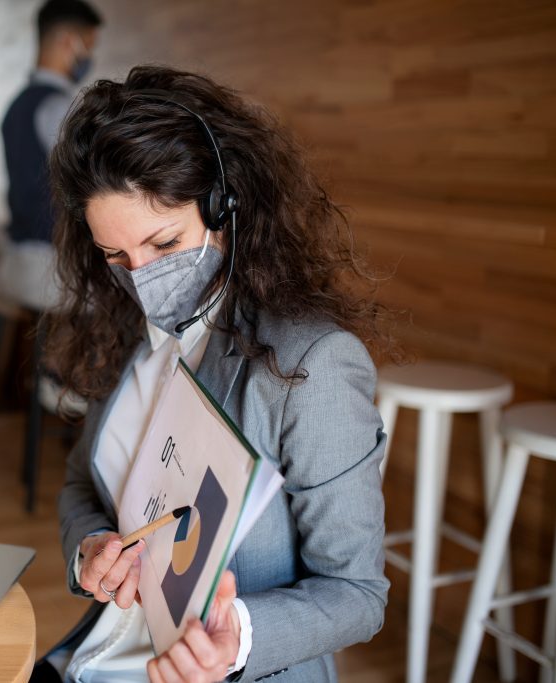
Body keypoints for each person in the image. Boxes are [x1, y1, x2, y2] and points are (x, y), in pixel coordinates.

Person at [38, 66, 391, 682]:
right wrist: (90, 550)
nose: (140, 276)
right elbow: (77, 483)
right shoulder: (127, 326)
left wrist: (238, 640)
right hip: (100, 660)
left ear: (225, 208)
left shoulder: (312, 366)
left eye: (164, 244)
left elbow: (358, 594)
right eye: (116, 255)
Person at [0, 0, 102, 309]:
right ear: (67, 41)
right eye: (88, 45)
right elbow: (91, 184)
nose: (89, 57)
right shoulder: (58, 108)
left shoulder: (15, 107)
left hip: (19, 257)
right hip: (54, 267)